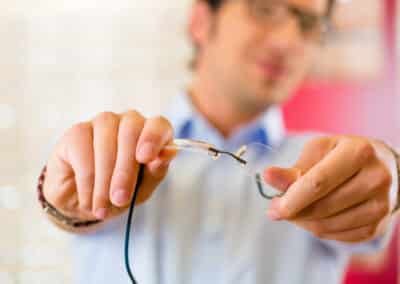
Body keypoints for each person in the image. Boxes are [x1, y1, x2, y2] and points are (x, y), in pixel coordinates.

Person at [38, 0, 400, 283]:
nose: (288, 40)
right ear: (200, 21)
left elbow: (370, 234)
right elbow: (74, 210)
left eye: (308, 24)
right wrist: (65, 203)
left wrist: (389, 185)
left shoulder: (324, 166)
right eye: (266, 9)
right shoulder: (115, 149)